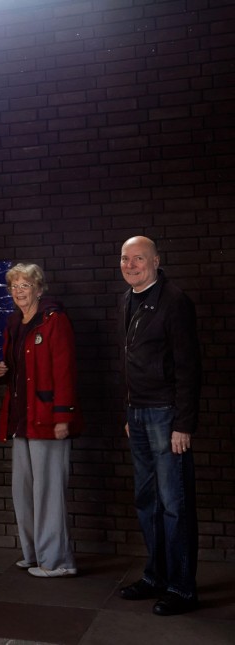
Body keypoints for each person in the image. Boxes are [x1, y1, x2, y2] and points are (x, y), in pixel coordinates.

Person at [117, 236, 201, 616]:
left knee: (174, 505)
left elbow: (188, 367)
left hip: (168, 417)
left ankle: (182, 589)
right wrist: (130, 411)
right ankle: (155, 577)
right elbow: (132, 364)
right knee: (147, 502)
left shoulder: (174, 301)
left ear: (156, 261)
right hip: (139, 414)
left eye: (138, 258)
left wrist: (183, 424)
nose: (131, 265)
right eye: (125, 259)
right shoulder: (126, 299)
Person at [0, 263, 81, 578]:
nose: (18, 291)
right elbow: (18, 371)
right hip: (21, 421)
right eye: (14, 286)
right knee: (24, 491)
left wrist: (63, 417)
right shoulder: (14, 322)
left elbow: (65, 371)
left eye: (25, 285)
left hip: (47, 420)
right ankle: (33, 554)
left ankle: (58, 561)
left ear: (39, 289)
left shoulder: (55, 321)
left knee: (48, 493)